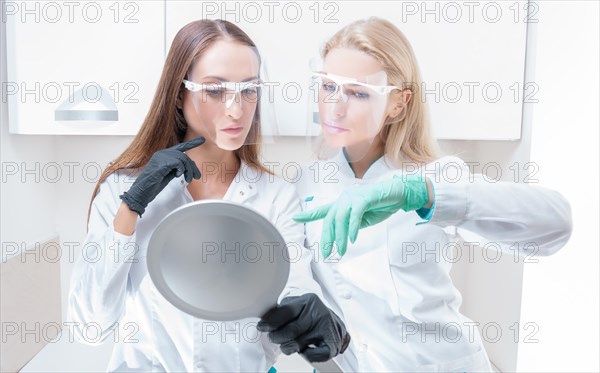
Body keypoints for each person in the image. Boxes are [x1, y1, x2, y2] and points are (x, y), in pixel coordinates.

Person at [67, 19, 349, 372]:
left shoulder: (275, 197)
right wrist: (130, 210)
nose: (236, 109)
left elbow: (295, 289)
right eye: (215, 90)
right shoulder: (122, 191)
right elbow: (90, 327)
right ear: (179, 93)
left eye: (249, 90)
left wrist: (313, 318)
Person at [293, 17, 573, 372]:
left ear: (398, 103)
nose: (335, 106)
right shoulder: (306, 183)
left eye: (359, 92)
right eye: (328, 86)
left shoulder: (435, 177)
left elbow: (556, 224)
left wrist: (421, 194)